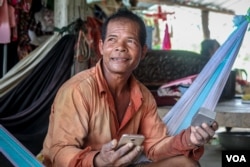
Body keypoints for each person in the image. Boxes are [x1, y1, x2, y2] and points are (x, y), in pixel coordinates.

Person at [42, 9, 218, 167]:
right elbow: (59, 153)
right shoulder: (77, 90)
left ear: (143, 51)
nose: (120, 47)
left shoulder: (143, 96)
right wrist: (98, 160)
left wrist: (190, 139)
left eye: (130, 41)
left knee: (187, 164)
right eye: (112, 40)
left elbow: (155, 146)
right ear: (101, 47)